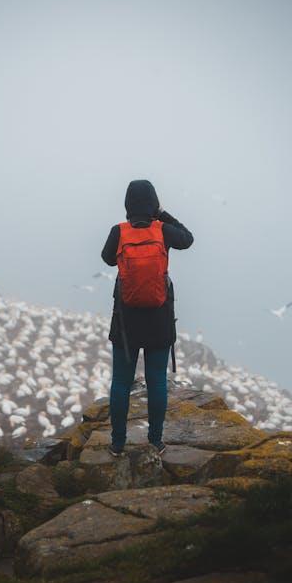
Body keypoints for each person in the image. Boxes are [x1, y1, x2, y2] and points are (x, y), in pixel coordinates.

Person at [101, 179, 194, 456]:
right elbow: (188, 239)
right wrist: (162, 214)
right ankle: (155, 441)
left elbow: (107, 259)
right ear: (153, 203)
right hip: (158, 318)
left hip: (126, 321)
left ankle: (118, 443)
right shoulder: (163, 230)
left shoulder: (118, 232)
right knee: (156, 380)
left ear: (127, 205)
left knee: (120, 382)